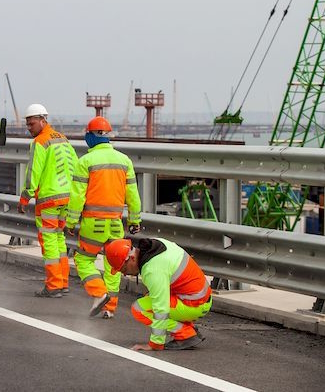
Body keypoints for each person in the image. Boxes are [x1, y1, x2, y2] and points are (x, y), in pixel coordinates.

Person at [66, 116, 141, 317]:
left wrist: (71, 222)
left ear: (90, 136)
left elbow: (77, 196)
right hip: (116, 223)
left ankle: (99, 294)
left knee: (83, 260)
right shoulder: (125, 161)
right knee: (114, 264)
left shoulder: (85, 161)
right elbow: (133, 195)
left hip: (93, 223)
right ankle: (109, 309)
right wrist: (135, 221)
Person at [104, 237, 212, 350]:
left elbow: (161, 308)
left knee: (139, 308)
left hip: (194, 304)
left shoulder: (152, 270)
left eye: (123, 269)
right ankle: (188, 328)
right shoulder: (155, 246)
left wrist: (155, 344)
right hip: (198, 298)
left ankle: (185, 334)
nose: (125, 274)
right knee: (150, 297)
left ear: (131, 258)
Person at [18, 104, 78, 297]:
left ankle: (53, 286)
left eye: (32, 123)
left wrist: (25, 196)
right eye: (27, 124)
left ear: (43, 120)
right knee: (60, 239)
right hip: (68, 198)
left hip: (50, 199)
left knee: (49, 240)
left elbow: (33, 172)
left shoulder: (40, 142)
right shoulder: (63, 139)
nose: (29, 128)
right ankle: (63, 282)